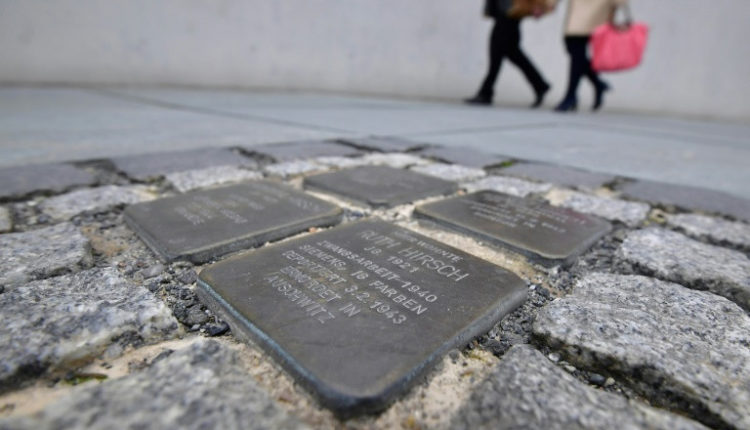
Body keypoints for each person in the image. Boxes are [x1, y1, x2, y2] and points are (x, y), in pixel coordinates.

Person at [465, 0, 554, 108]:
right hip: (506, 15)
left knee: (496, 57)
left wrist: (538, 6)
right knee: (514, 56)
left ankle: (485, 93)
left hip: (509, 15)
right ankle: (540, 85)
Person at [555, 0, 627, 112]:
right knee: (574, 50)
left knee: (576, 49)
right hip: (578, 9)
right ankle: (597, 84)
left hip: (597, 7)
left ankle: (571, 95)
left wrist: (613, 11)